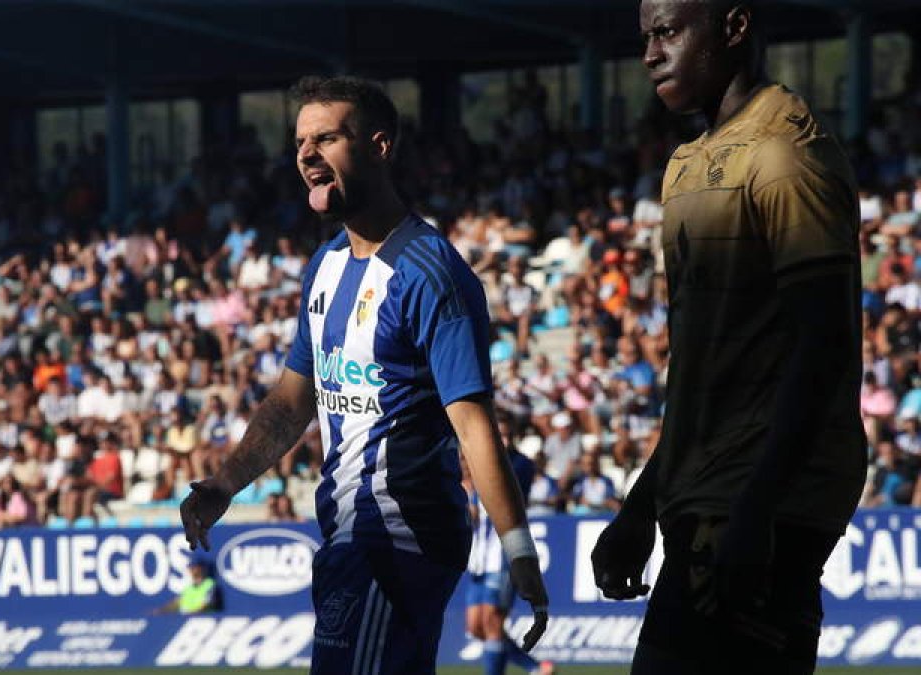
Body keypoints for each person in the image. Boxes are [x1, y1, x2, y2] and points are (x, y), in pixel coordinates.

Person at [180, 75, 548, 675]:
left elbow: (474, 425)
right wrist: (224, 484)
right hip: (346, 537)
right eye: (300, 142)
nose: (306, 154)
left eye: (326, 138)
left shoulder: (432, 274)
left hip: (395, 542)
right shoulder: (324, 266)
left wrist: (518, 552)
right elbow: (291, 403)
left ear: (380, 146)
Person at [592, 2, 865, 674]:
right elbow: (705, 372)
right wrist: (642, 506)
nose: (651, 53)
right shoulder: (687, 163)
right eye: (645, 37)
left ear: (734, 29)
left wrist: (759, 509)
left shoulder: (784, 155)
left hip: (761, 502)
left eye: (669, 32)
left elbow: (823, 345)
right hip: (704, 491)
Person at [464, 419, 545, 675]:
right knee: (476, 626)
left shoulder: (520, 464)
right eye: (500, 434)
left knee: (492, 621)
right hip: (479, 556)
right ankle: (536, 668)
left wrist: (473, 473)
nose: (504, 440)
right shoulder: (477, 458)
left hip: (501, 554)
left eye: (508, 435)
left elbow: (507, 491)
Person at [152, 553, 220, 615]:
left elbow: (207, 605)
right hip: (185, 618)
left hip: (199, 621)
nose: (191, 570)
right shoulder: (188, 588)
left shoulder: (210, 585)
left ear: (201, 568)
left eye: (194, 567)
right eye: (190, 567)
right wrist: (160, 611)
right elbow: (177, 603)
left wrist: (192, 614)